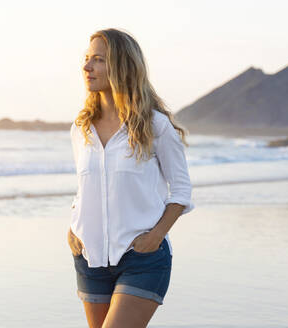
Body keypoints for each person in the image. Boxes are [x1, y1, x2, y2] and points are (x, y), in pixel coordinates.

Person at [68, 28, 195, 328]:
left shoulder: (155, 125)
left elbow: (181, 190)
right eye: (86, 59)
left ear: (121, 66)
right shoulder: (81, 127)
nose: (86, 67)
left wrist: (155, 236)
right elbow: (85, 187)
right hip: (90, 257)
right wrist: (73, 227)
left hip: (142, 258)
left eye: (97, 60)